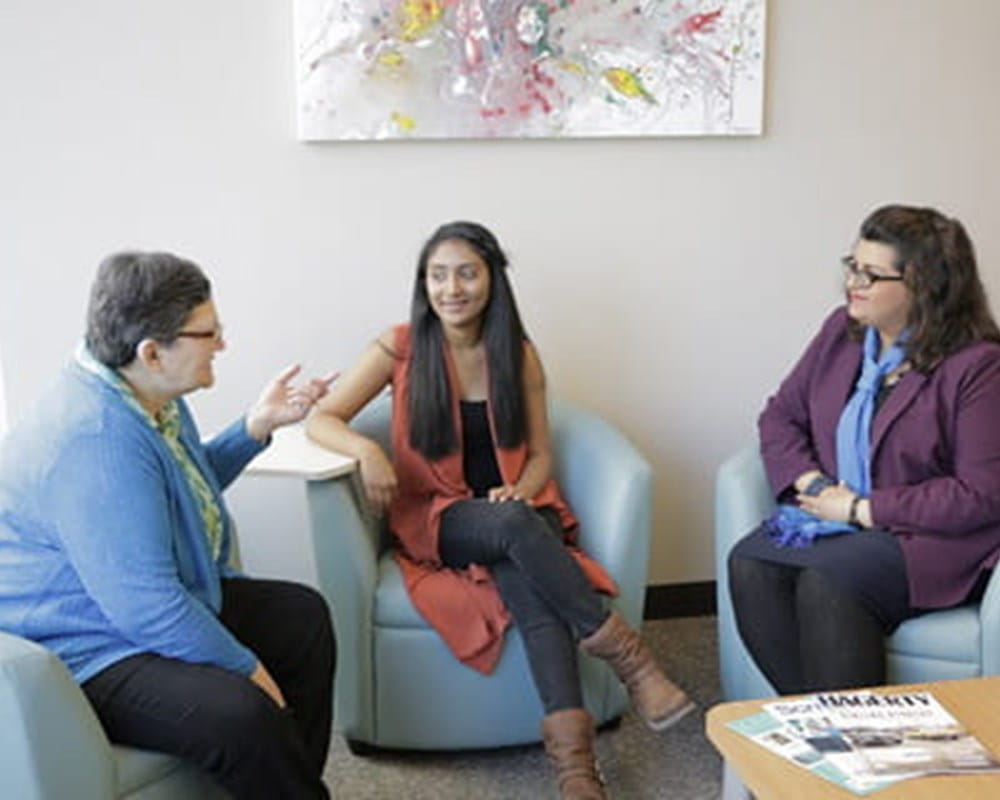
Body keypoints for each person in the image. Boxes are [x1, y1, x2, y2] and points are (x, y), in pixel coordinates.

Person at [307, 221, 693, 800]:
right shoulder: (399, 346)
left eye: (466, 272)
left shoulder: (518, 354)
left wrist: (522, 489)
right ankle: (631, 661)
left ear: (492, 278)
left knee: (532, 590)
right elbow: (321, 419)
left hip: (515, 512)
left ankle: (577, 771)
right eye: (437, 276)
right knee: (516, 530)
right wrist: (367, 450)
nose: (451, 288)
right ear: (424, 284)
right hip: (439, 517)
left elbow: (538, 457)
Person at [0, 252, 337, 799]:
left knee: (302, 619)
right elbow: (148, 606)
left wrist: (256, 427)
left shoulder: (144, 394)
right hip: (80, 643)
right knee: (244, 713)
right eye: (210, 333)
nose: (222, 344)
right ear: (152, 352)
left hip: (121, 608)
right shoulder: (96, 438)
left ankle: (288, 785)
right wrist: (249, 671)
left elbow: (181, 487)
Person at [728, 204, 1000, 696]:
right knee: (750, 561)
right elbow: (780, 416)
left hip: (927, 539)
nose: (853, 282)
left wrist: (861, 508)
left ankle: (850, 746)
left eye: (871, 275)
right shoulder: (844, 332)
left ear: (924, 284)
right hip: (836, 516)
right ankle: (818, 728)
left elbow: (980, 493)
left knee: (827, 580)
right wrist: (812, 483)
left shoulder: (978, 367)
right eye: (852, 266)